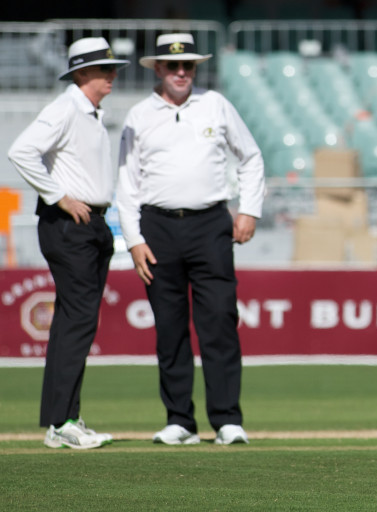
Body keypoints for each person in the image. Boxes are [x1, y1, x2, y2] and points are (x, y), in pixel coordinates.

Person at [116, 33, 265, 446]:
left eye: (189, 66)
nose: (181, 72)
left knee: (219, 320)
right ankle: (179, 420)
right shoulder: (139, 115)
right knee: (169, 326)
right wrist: (133, 239)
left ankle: (227, 419)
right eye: (173, 65)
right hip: (157, 227)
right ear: (158, 69)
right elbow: (127, 183)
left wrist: (249, 209)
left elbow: (251, 157)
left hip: (210, 223)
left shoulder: (215, 104)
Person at [8, 37, 129, 449]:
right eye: (105, 69)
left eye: (113, 68)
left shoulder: (90, 113)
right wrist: (59, 196)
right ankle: (63, 422)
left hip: (91, 222)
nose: (113, 75)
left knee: (74, 321)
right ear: (82, 73)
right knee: (78, 320)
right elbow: (21, 152)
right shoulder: (65, 108)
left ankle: (63, 419)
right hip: (69, 223)